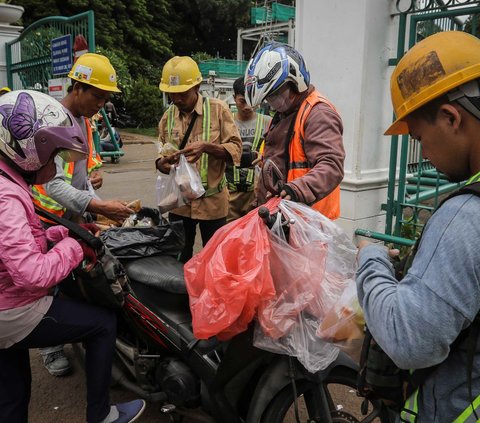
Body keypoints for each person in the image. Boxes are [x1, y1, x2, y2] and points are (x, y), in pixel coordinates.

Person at [0, 90, 145, 423]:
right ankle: (100, 415)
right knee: (102, 324)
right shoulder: (6, 195)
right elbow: (31, 273)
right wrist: (75, 246)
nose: (53, 165)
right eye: (50, 156)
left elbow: (17, 243)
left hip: (5, 301)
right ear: (25, 149)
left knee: (13, 394)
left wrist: (62, 234)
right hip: (11, 307)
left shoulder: (7, 179)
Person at [356, 31, 480, 421]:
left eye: (419, 138)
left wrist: (371, 260)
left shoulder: (465, 219)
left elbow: (408, 338)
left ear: (450, 117)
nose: (424, 153)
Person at [32, 53, 134, 376]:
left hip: (70, 220)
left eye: (106, 99)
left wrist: (103, 208)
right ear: (77, 87)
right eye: (97, 96)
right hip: (44, 220)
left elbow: (80, 180)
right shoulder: (54, 120)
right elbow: (53, 186)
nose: (101, 105)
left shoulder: (84, 123)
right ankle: (49, 348)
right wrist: (99, 207)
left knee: (74, 281)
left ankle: (92, 345)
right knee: (47, 285)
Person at [156, 56, 242, 263]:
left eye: (182, 94)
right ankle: (181, 295)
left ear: (197, 86)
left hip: (213, 204)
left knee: (215, 260)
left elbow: (236, 149)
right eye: (171, 94)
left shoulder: (219, 110)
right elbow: (160, 157)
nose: (176, 99)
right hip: (179, 203)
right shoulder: (167, 117)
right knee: (177, 259)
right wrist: (162, 164)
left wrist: (207, 147)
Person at [244, 43, 345, 219]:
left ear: (296, 81)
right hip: (284, 217)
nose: (273, 103)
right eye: (269, 98)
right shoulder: (284, 114)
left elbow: (331, 165)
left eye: (275, 95)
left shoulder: (318, 114)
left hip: (309, 225)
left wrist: (297, 189)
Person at [226, 77, 272, 221]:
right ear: (234, 98)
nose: (247, 106)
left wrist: (264, 157)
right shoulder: (226, 122)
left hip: (256, 194)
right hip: (229, 193)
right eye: (242, 101)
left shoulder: (268, 122)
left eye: (252, 101)